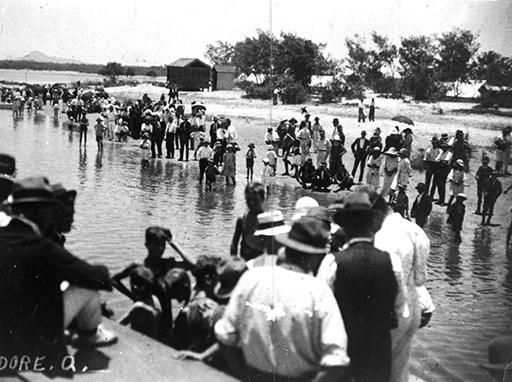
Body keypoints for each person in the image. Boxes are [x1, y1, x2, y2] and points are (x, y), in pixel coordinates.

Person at [0, 177, 117, 370]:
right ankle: (89, 336)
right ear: (42, 212)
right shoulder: (42, 247)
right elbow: (98, 279)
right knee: (85, 285)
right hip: (28, 344)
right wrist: (102, 270)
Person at [215, 216, 351, 382]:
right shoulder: (319, 291)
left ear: (286, 247)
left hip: (255, 374)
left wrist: (244, 375)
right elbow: (336, 361)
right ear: (315, 256)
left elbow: (224, 335)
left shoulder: (252, 278)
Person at [332, 192, 407, 382]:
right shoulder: (391, 261)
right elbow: (401, 309)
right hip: (379, 349)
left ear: (344, 227)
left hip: (345, 349)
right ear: (371, 225)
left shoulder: (334, 263)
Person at [112, 226, 194, 339]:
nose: (160, 248)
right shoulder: (139, 267)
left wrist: (173, 242)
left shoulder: (167, 264)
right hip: (143, 317)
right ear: (147, 245)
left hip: (165, 319)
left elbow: (193, 265)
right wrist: (132, 296)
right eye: (156, 244)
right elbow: (114, 280)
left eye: (162, 244)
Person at [117, 265, 162, 339]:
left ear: (138, 287)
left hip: (138, 345)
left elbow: (116, 327)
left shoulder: (139, 307)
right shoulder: (155, 300)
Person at [230, 182, 266, 261]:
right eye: (249, 199)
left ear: (263, 199)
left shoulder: (268, 220)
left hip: (263, 265)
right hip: (246, 263)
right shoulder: (242, 220)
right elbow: (234, 244)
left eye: (255, 199)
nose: (251, 202)